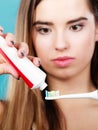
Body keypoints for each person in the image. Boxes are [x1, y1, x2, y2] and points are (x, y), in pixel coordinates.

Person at [0, 0, 98, 129]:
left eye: (75, 27)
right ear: (29, 34)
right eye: (44, 30)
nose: (60, 45)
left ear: (96, 28)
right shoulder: (3, 117)